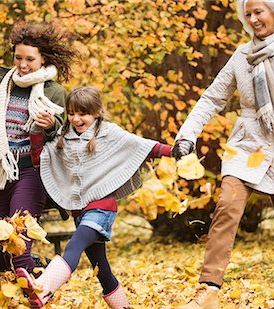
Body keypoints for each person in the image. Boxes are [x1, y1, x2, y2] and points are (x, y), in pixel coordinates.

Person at [171, 0, 274, 307]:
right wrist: (186, 136)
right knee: (227, 208)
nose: (254, 19)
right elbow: (212, 99)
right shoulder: (241, 56)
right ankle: (208, 291)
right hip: (248, 145)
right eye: (249, 15)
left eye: (259, 12)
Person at [16, 86, 172, 309]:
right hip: (80, 212)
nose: (76, 119)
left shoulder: (109, 133)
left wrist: (174, 151)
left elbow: (143, 146)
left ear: (97, 112)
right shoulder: (64, 138)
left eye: (83, 114)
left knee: (73, 247)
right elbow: (41, 160)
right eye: (71, 113)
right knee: (102, 270)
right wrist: (36, 133)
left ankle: (43, 289)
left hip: (102, 209)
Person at [0, 21, 77, 273]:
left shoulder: (54, 91)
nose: (22, 64)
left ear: (43, 59)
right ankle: (44, 268)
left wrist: (51, 123)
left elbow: (64, 132)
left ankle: (38, 293)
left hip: (32, 173)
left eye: (29, 59)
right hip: (1, 175)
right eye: (18, 57)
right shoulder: (3, 84)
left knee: (18, 247)